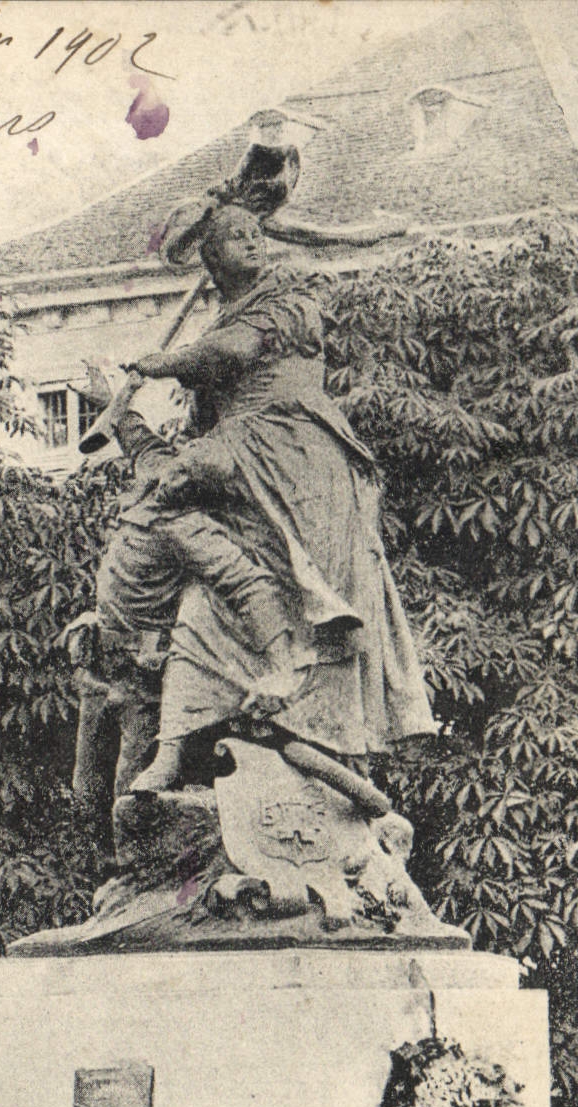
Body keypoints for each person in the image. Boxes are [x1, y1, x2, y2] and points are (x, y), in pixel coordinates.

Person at [86, 197, 434, 794]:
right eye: (235, 235)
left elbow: (232, 353)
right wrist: (119, 416)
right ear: (211, 259)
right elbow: (172, 452)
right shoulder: (222, 323)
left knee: (306, 604)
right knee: (206, 601)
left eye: (255, 232)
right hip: (239, 476)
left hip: (295, 466)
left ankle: (329, 749)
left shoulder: (286, 302)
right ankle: (174, 747)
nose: (253, 241)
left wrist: (162, 363)